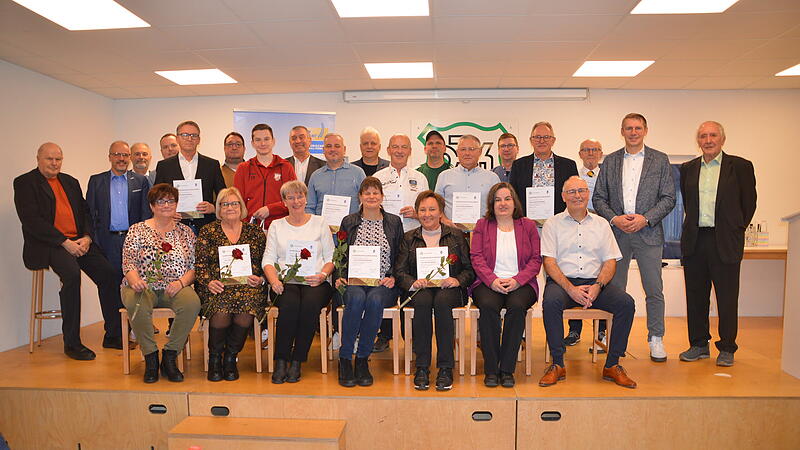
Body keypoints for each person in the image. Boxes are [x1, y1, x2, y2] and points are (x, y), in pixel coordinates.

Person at [14, 142, 124, 359]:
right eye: (49, 159)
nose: (54, 163)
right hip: (50, 243)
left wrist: (86, 237)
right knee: (72, 276)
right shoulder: (25, 182)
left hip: (78, 240)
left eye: (58, 159)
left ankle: (112, 335)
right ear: (38, 159)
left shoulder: (70, 182)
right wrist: (64, 242)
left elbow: (85, 212)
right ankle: (72, 343)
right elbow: (31, 221)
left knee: (109, 274)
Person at [539, 176, 637, 389]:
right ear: (563, 196)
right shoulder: (552, 224)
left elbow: (610, 261)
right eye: (572, 192)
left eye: (581, 191)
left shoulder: (602, 224)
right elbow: (549, 262)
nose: (577, 196)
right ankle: (557, 364)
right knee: (551, 302)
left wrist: (598, 286)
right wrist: (570, 289)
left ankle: (612, 365)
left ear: (588, 194)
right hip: (563, 283)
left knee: (626, 303)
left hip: (595, 282)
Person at [593, 113, 675, 362]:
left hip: (648, 232)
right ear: (622, 131)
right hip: (617, 233)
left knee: (654, 289)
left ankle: (656, 338)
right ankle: (608, 336)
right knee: (614, 288)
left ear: (645, 130)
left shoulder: (660, 160)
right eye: (628, 128)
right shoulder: (610, 161)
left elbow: (669, 198)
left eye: (638, 128)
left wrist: (645, 218)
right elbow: (598, 198)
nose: (633, 132)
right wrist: (615, 218)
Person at [679, 121, 756, 367]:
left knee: (727, 297)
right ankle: (699, 344)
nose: (708, 140)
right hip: (695, 240)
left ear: (722, 139)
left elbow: (749, 204)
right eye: (703, 136)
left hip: (725, 240)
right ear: (698, 141)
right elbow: (688, 203)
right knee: (696, 296)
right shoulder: (688, 168)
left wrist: (735, 229)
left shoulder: (741, 167)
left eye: (713, 135)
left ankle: (727, 347)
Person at [120, 184, 202, 383]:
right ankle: (150, 358)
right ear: (152, 206)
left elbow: (194, 266)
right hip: (143, 285)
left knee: (192, 303)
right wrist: (135, 280)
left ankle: (170, 355)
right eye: (161, 201)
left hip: (174, 286)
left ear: (176, 204)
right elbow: (128, 261)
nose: (166, 205)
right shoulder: (137, 230)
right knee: (135, 303)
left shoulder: (186, 232)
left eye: (170, 201)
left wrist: (182, 282)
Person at [395, 191, 474, 391]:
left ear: (440, 213)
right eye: (422, 210)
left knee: (442, 301)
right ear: (417, 212)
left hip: (449, 289)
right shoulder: (409, 238)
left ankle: (445, 367)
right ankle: (422, 366)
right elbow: (400, 271)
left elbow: (469, 269)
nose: (427, 214)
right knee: (421, 301)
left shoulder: (455, 236)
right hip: (420, 289)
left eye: (432, 209)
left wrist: (457, 280)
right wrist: (413, 282)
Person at [263, 180, 335, 384]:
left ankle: (297, 360)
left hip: (316, 281)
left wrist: (322, 275)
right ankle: (281, 359)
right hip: (285, 282)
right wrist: (274, 280)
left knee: (310, 305)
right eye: (291, 197)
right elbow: (268, 259)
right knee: (290, 305)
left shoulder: (320, 223)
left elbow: (331, 258)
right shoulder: (276, 225)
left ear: (306, 198)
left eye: (300, 196)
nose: (296, 201)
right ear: (284, 201)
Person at [470, 182, 541, 387]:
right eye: (498, 199)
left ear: (514, 201)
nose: (503, 203)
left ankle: (506, 369)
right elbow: (476, 257)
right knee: (489, 306)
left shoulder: (527, 225)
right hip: (488, 281)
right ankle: (492, 368)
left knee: (517, 307)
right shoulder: (482, 225)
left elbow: (536, 260)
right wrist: (492, 280)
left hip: (522, 282)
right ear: (491, 204)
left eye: (507, 198)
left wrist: (517, 281)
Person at [335, 177, 404, 387]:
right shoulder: (349, 221)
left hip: (384, 283)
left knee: (374, 301)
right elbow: (340, 251)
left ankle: (363, 359)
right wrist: (339, 274)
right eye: (367, 193)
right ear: (360, 197)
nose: (372, 196)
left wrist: (394, 277)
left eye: (376, 193)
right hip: (354, 280)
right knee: (355, 298)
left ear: (382, 197)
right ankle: (346, 358)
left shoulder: (393, 222)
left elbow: (401, 254)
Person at [195, 187, 267, 381]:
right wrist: (209, 282)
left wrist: (259, 278)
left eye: (234, 203)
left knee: (246, 309)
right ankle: (215, 358)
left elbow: (264, 264)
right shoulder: (208, 231)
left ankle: (230, 357)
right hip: (217, 286)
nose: (230, 208)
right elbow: (200, 265)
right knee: (221, 309)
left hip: (247, 286)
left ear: (241, 206)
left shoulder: (255, 232)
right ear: (218, 208)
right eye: (224, 204)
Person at [372, 134, 429, 352]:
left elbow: (427, 209)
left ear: (409, 150)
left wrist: (417, 213)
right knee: (385, 282)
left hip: (412, 239)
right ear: (387, 149)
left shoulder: (419, 178)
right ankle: (384, 335)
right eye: (395, 146)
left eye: (403, 147)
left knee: (408, 286)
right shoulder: (378, 176)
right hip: (385, 240)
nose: (399, 150)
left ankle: (411, 339)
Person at [86, 140, 152, 296]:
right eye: (117, 154)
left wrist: (143, 240)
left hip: (133, 240)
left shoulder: (140, 181)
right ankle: (112, 321)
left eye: (125, 155)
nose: (121, 158)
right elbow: (89, 213)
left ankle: (132, 321)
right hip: (107, 241)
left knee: (135, 284)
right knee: (108, 284)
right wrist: (95, 240)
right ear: (109, 157)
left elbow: (145, 213)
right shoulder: (96, 181)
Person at [565, 138, 605, 348]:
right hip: (575, 229)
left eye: (595, 150)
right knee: (575, 273)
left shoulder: (608, 176)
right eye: (586, 150)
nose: (591, 153)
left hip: (599, 230)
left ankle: (601, 332)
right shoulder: (573, 177)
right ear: (580, 154)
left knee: (597, 276)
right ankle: (574, 329)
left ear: (600, 154)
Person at [154, 121, 226, 233]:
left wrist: (213, 208)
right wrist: (168, 211)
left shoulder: (212, 164)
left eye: (194, 135)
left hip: (206, 227)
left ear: (199, 139)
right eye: (185, 135)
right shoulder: (164, 166)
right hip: (173, 226)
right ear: (177, 138)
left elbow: (223, 194)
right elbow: (157, 197)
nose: (189, 139)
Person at [509, 121, 578, 223]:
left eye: (546, 137)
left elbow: (574, 196)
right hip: (527, 225)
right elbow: (513, 196)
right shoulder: (518, 165)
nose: (541, 141)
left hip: (561, 224)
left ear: (553, 140)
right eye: (537, 137)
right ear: (531, 140)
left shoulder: (568, 166)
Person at [233, 123, 296, 230]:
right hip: (250, 228)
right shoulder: (243, 168)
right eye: (258, 140)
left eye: (266, 139)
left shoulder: (286, 167)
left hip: (281, 227)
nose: (262, 143)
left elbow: (294, 199)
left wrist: (270, 209)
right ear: (252, 143)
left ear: (273, 141)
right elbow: (237, 201)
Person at [435, 135, 500, 230]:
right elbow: (436, 205)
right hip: (451, 233)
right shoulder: (444, 176)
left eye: (472, 149)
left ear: (480, 152)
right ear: (457, 152)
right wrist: (444, 219)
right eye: (463, 149)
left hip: (483, 233)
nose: (467, 153)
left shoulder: (492, 178)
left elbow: (498, 206)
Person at [306, 133, 366, 217]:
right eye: (329, 146)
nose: (332, 149)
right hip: (322, 228)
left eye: (337, 146)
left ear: (344, 149)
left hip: (351, 228)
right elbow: (309, 207)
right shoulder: (315, 176)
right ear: (323, 150)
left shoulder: (358, 173)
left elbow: (366, 204)